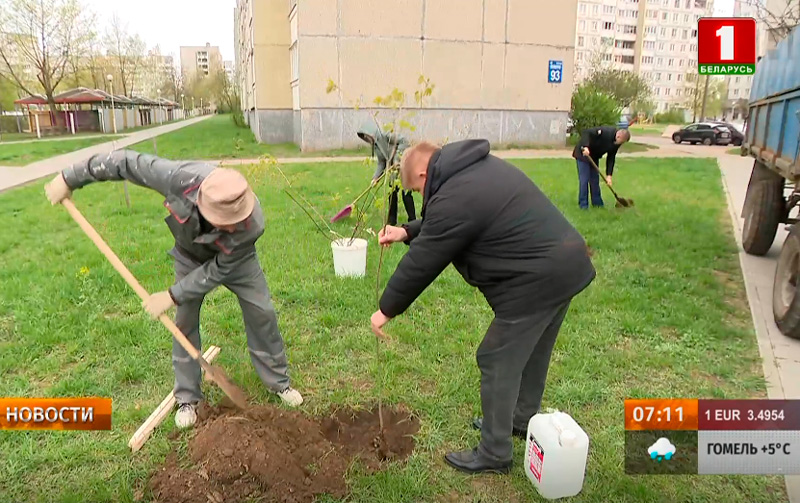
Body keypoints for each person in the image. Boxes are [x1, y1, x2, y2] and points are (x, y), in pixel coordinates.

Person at [369, 139, 596, 474]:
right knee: (533, 350)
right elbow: (448, 222)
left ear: (422, 172)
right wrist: (406, 230)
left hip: (535, 280)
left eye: (417, 189)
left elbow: (426, 258)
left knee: (496, 357)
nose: (420, 196)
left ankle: (494, 452)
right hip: (563, 264)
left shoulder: (457, 192)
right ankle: (519, 419)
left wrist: (386, 309)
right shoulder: (473, 171)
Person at [44, 152, 303, 428]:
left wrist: (171, 295)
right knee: (184, 320)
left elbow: (216, 271)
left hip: (236, 261)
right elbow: (125, 162)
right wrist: (69, 177)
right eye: (223, 219)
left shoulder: (252, 223)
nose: (231, 225)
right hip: (189, 256)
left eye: (235, 219)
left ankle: (279, 382)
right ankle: (187, 398)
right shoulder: (177, 178)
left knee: (261, 311)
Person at [357, 122, 416, 225]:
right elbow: (381, 163)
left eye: (366, 136)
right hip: (393, 172)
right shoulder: (376, 146)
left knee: (406, 194)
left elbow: (404, 141)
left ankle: (413, 220)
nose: (367, 139)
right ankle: (392, 220)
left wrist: (397, 158)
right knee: (391, 193)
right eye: (365, 138)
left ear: (371, 133)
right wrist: (375, 178)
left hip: (404, 167)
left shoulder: (386, 136)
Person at [571, 126, 631, 209]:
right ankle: (583, 205)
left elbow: (611, 158)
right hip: (583, 154)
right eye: (621, 141)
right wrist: (585, 147)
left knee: (595, 180)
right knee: (584, 180)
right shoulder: (606, 132)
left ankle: (597, 203)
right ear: (618, 136)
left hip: (594, 156)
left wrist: (609, 176)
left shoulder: (617, 143)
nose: (621, 144)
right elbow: (587, 132)